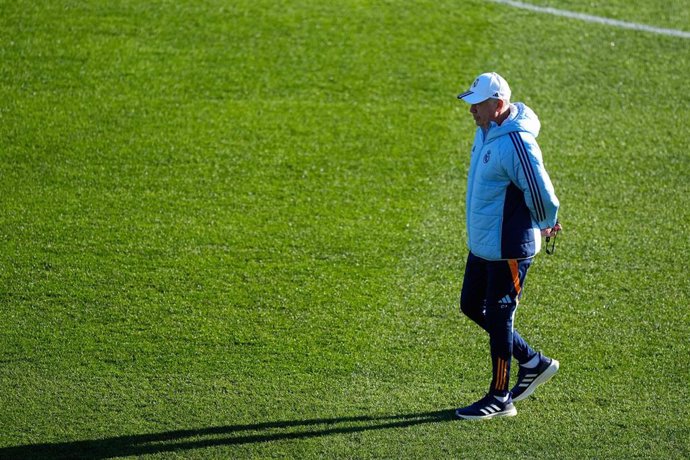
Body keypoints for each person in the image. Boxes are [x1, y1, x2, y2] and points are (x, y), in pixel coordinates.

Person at [454, 72, 562, 420]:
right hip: (485, 243)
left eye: (477, 105)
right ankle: (532, 361)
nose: (472, 111)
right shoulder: (486, 130)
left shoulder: (517, 142)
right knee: (471, 304)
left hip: (508, 247)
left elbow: (539, 187)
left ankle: (500, 397)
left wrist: (547, 222)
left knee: (500, 316)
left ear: (498, 105)